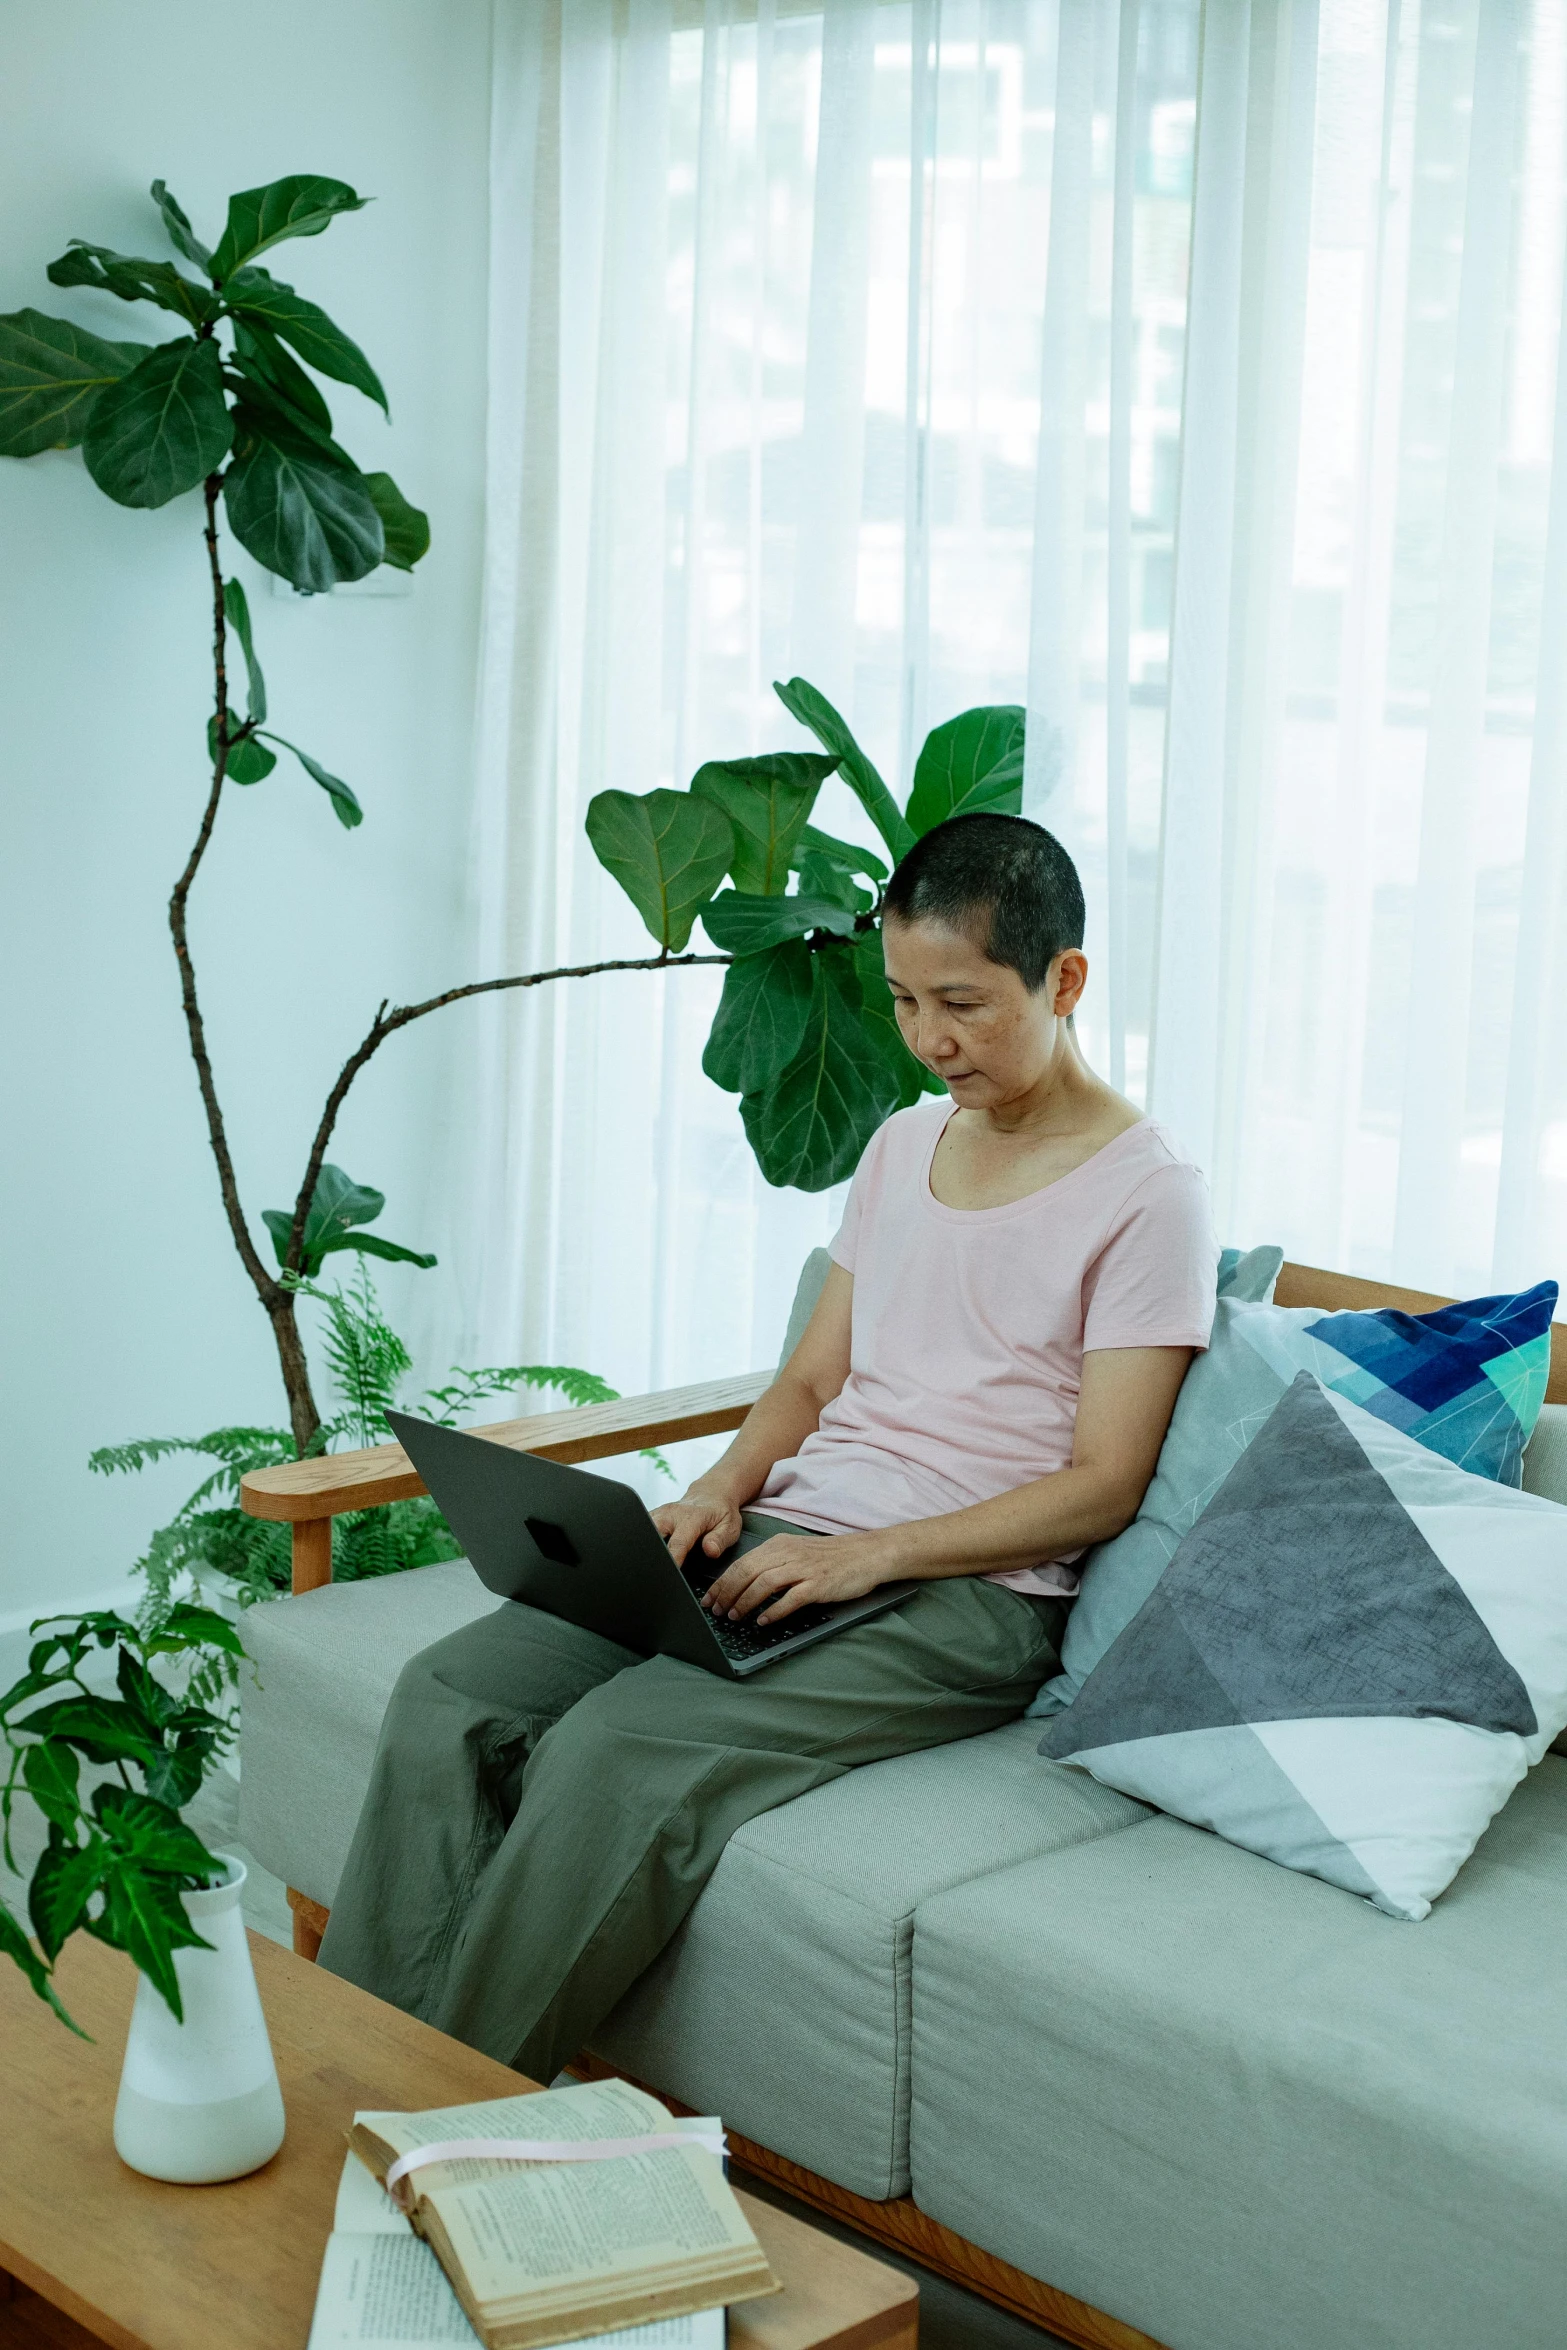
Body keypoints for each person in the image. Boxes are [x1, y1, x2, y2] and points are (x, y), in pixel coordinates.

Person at [319, 811, 1218, 2080]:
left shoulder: (1147, 1192)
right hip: (793, 1533)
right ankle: (349, 2065)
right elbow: (810, 1376)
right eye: (903, 998)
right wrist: (715, 1490)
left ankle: (428, 2118)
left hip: (966, 1598)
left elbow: (1103, 1483)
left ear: (1063, 980)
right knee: (449, 1694)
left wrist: (868, 1558)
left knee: (612, 1756)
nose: (926, 1039)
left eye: (960, 1003)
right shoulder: (904, 1142)